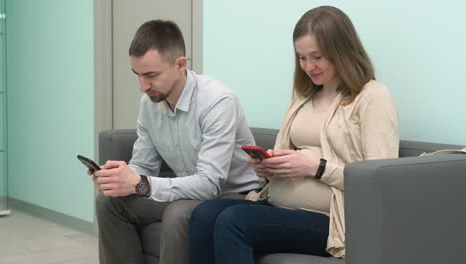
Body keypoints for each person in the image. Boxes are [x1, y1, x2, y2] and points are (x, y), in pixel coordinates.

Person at [188, 5, 399, 263]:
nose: (309, 67)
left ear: (341, 50)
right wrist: (268, 167)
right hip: (278, 204)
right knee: (204, 214)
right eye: (302, 57)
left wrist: (317, 168)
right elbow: (284, 157)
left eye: (317, 57)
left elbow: (380, 180)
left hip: (332, 220)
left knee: (234, 221)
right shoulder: (303, 96)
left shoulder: (373, 96)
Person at [88, 19, 261, 264]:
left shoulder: (218, 102)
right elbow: (143, 167)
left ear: (180, 65)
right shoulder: (149, 104)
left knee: (179, 214)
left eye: (151, 75)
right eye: (137, 75)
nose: (142, 86)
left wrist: (141, 184)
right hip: (187, 193)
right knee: (109, 202)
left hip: (233, 196)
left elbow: (210, 184)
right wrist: (118, 178)